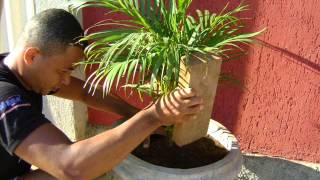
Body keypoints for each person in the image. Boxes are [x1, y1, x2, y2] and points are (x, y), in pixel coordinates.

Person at [0, 9, 203, 179]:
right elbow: (69, 165)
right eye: (63, 71)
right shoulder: (5, 99)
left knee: (101, 156)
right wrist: (153, 117)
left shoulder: (23, 69)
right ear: (32, 56)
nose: (66, 81)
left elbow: (84, 92)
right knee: (88, 163)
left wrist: (131, 112)